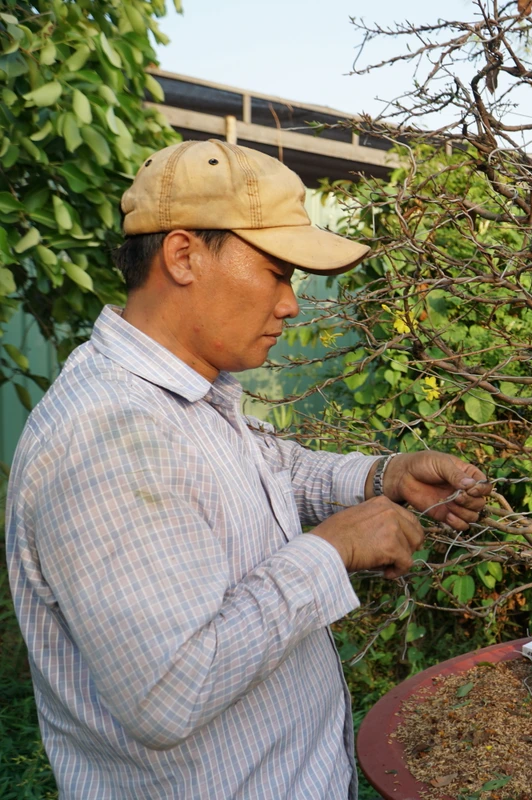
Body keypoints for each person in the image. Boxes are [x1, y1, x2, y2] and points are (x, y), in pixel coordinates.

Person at [5, 139, 491, 799]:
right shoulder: (109, 436)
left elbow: (264, 474)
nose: (291, 303)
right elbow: (169, 692)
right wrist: (332, 550)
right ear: (183, 256)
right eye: (277, 271)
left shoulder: (188, 395)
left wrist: (383, 476)